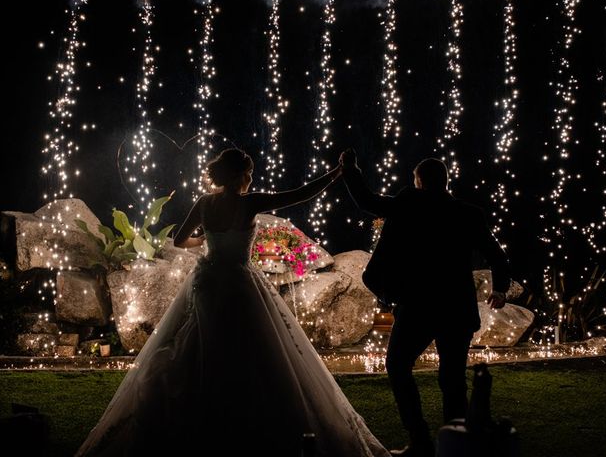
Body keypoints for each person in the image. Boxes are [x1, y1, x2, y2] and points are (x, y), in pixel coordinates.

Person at [76, 148, 390, 457]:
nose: (251, 179)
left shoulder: (205, 204)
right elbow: (301, 194)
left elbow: (178, 240)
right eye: (249, 173)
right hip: (240, 284)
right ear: (241, 176)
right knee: (254, 348)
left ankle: (203, 417)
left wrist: (204, 241)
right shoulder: (251, 203)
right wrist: (336, 174)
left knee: (202, 345)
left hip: (209, 282)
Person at [340, 149, 511, 457]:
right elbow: (497, 254)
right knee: (453, 378)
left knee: (397, 365)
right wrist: (500, 288)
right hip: (456, 306)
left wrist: (350, 168)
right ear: (445, 181)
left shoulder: (408, 203)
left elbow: (367, 201)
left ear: (418, 181)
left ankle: (420, 439)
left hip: (417, 304)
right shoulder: (468, 213)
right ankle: (454, 445)